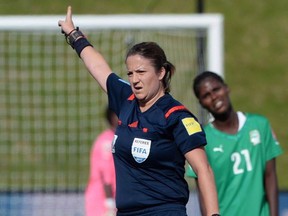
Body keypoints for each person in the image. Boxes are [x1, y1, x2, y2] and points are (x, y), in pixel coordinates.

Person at [58, 6, 220, 216]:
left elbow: (203, 170)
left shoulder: (177, 117)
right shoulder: (126, 100)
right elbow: (99, 67)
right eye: (130, 73)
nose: (134, 79)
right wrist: (74, 34)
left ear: (161, 72)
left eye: (141, 72)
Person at [186, 71, 283, 216]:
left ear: (226, 88)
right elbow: (203, 196)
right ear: (201, 103)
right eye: (206, 95)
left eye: (216, 89)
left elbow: (270, 176)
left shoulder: (260, 125)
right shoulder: (201, 140)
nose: (214, 97)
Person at [85, 107, 118, 216]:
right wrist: (109, 202)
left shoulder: (118, 138)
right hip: (102, 202)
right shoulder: (106, 141)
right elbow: (105, 175)